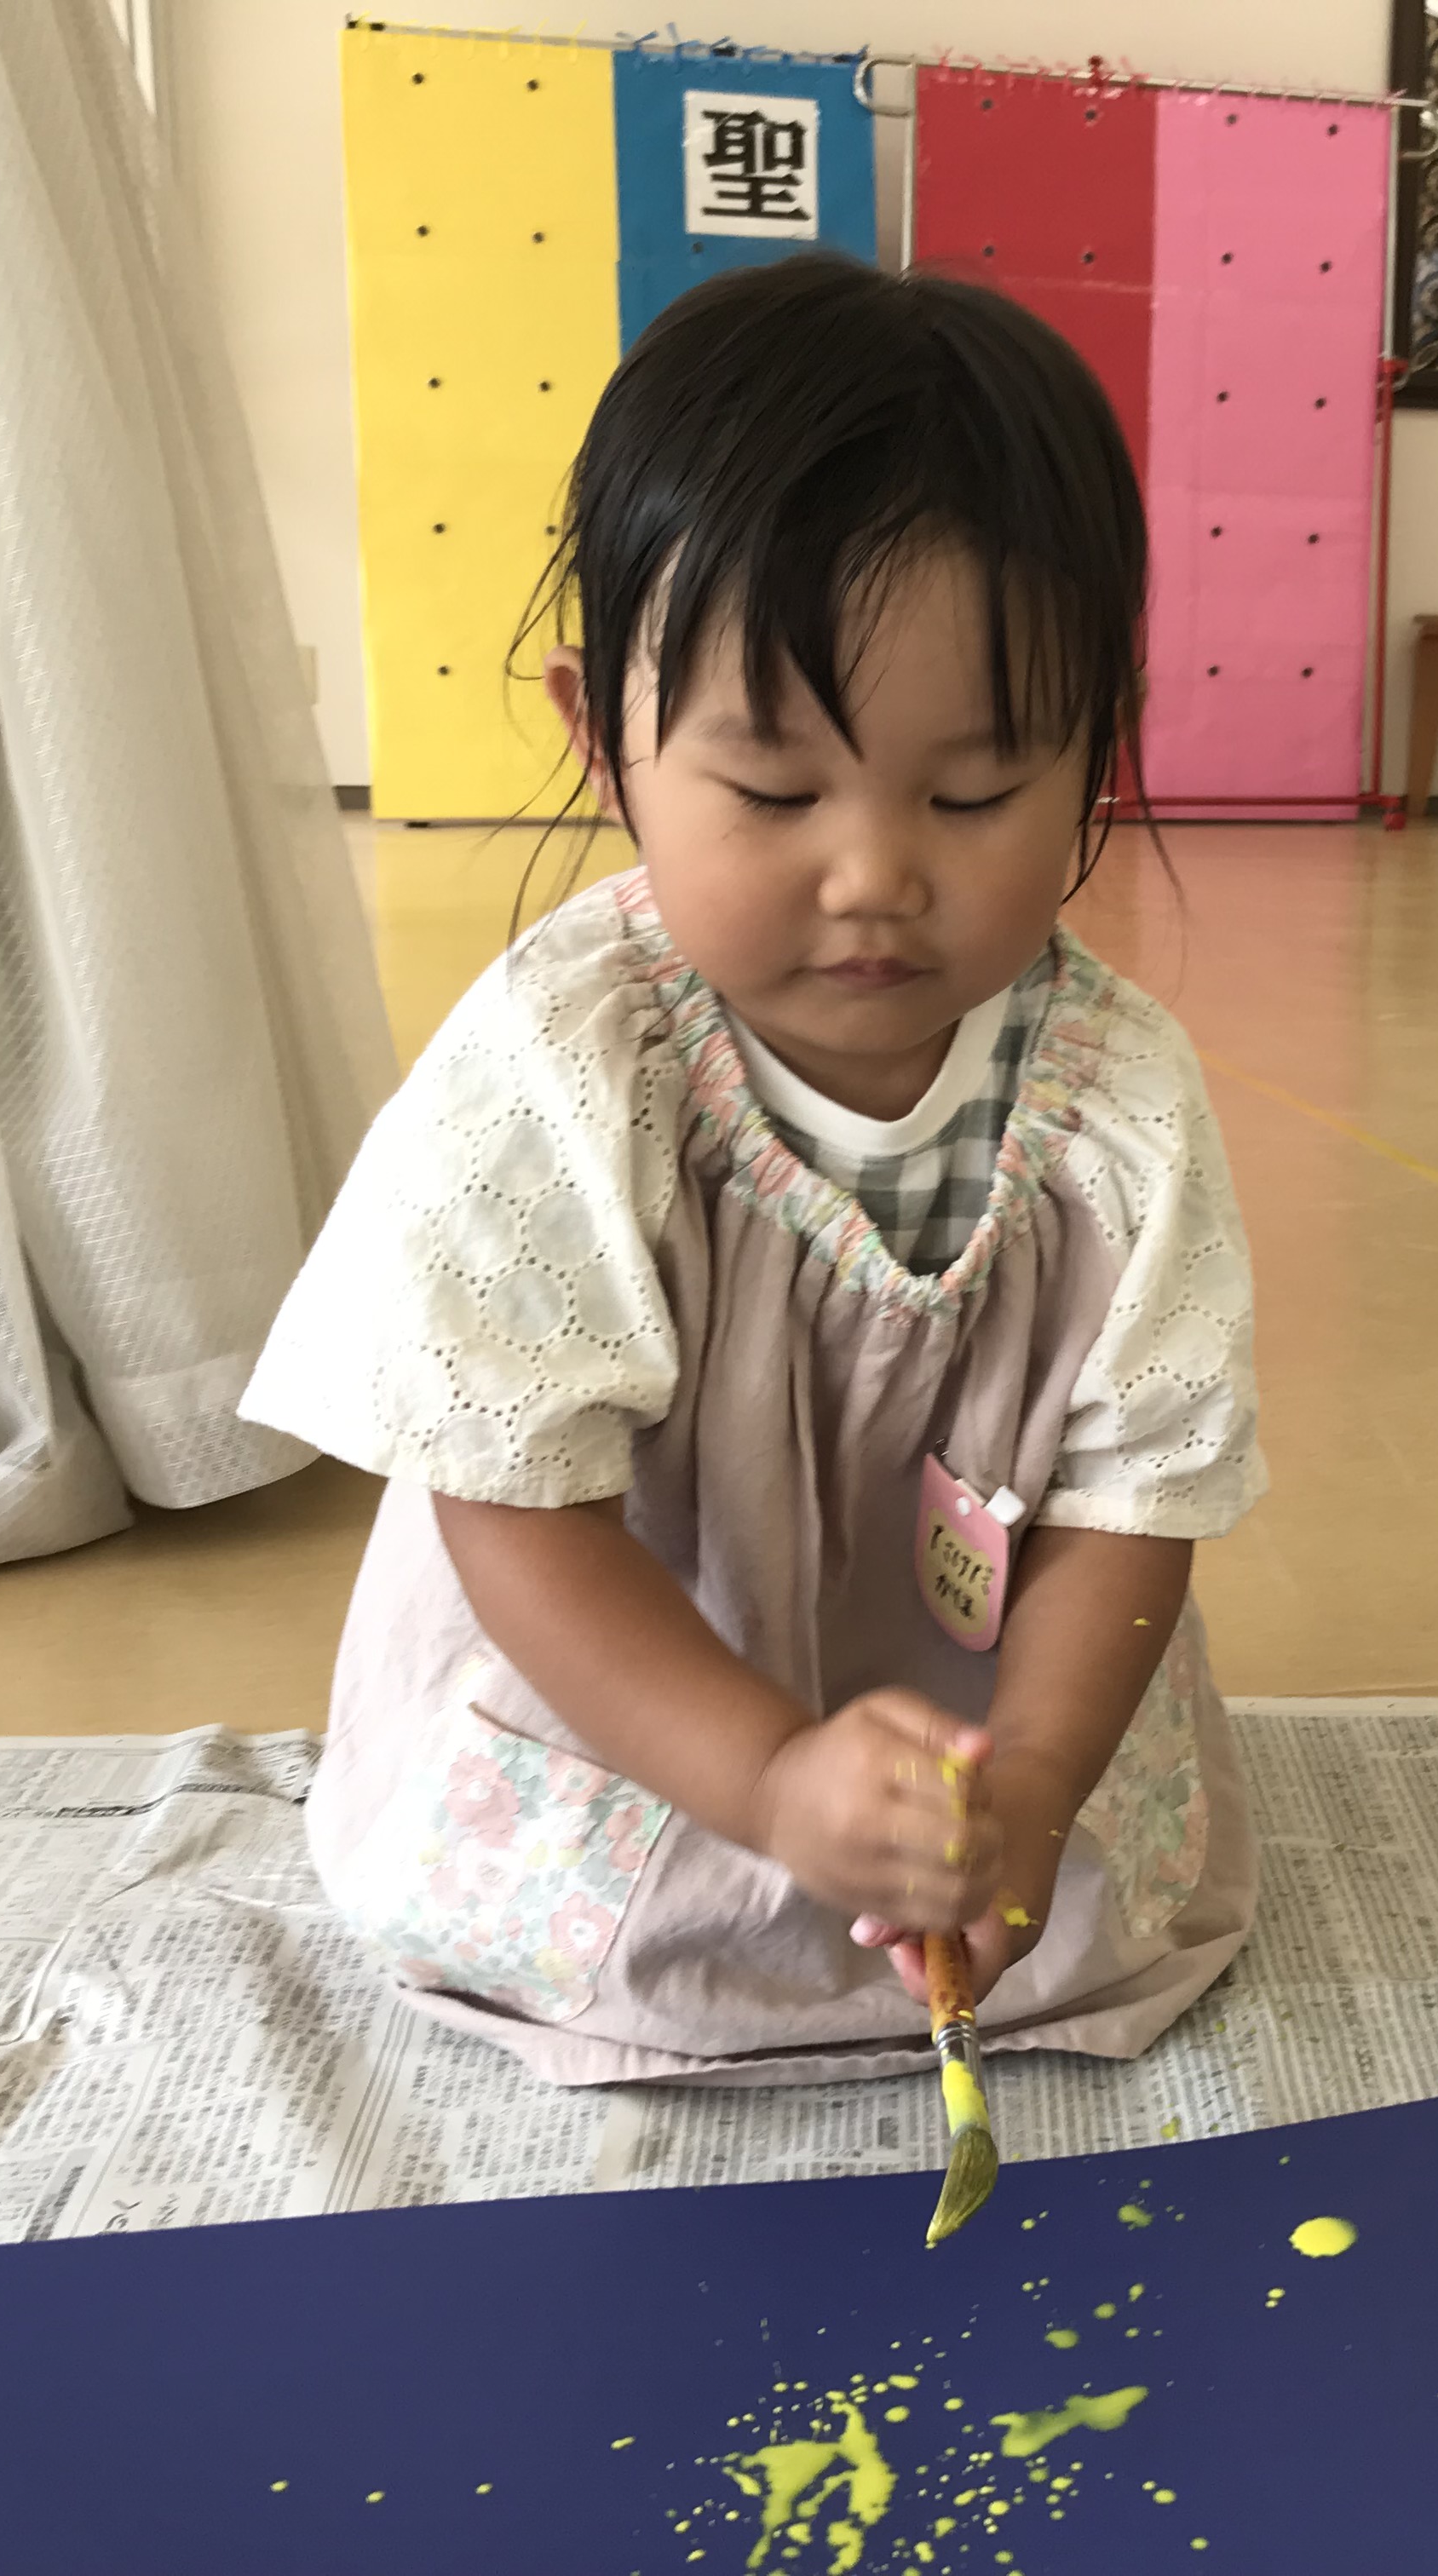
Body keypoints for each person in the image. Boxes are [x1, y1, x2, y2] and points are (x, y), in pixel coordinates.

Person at [240, 258, 1265, 2085]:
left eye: (973, 795)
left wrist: (1028, 1777)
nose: (873, 874)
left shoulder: (1118, 1093)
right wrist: (768, 1776)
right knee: (641, 1938)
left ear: (1097, 749)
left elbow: (1135, 1495)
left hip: (975, 1705)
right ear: (604, 741)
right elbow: (514, 1508)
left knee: (1083, 1899)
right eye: (776, 795)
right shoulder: (568, 1071)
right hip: (642, 1694)